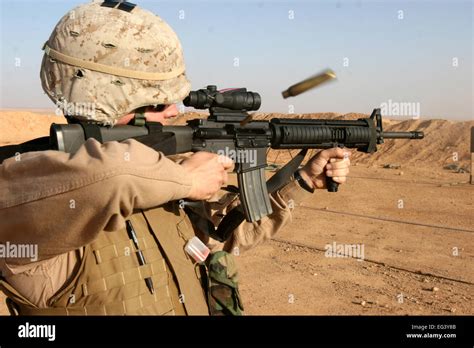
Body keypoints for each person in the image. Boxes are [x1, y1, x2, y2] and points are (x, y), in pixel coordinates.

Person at [0, 1, 350, 315]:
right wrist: (187, 180)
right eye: (156, 103)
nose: (172, 111)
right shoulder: (32, 201)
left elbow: (219, 240)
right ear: (103, 101)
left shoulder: (155, 178)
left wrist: (302, 182)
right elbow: (111, 176)